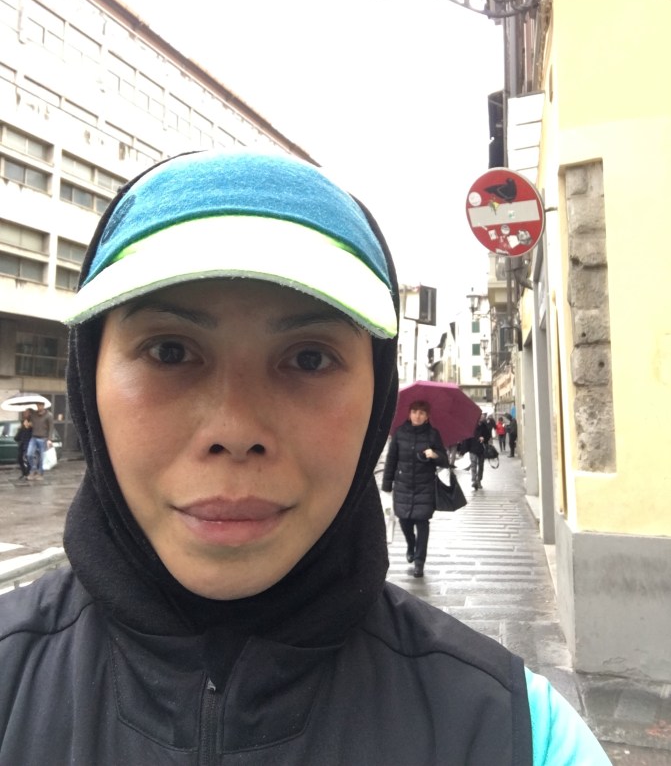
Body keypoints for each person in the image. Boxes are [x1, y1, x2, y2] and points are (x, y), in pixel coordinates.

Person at [0, 150, 610, 764]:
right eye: (169, 352)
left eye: (309, 358)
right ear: (88, 377)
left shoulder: (515, 732)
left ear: (377, 395)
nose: (235, 431)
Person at [381, 400, 447, 578]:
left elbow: (444, 460)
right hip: (403, 485)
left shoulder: (433, 434)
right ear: (409, 414)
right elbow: (391, 460)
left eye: (421, 413)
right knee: (404, 521)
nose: (417, 416)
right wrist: (387, 485)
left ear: (427, 417)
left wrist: (434, 455)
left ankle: (419, 562)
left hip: (425, 487)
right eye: (414, 412)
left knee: (422, 523)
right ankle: (411, 545)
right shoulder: (399, 433)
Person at [25, 399, 53, 481]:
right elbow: (28, 420)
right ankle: (33, 469)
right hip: (34, 437)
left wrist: (49, 439)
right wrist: (26, 421)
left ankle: (40, 473)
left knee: (42, 457)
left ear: (43, 406)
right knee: (29, 454)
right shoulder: (33, 414)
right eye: (37, 405)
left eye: (40, 405)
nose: (39, 407)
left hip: (43, 438)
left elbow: (51, 428)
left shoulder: (49, 415)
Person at [13, 410, 32, 479]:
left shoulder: (32, 422)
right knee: (20, 458)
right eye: (24, 413)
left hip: (29, 442)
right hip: (22, 443)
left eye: (26, 412)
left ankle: (28, 472)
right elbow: (18, 436)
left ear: (29, 413)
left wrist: (28, 426)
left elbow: (33, 432)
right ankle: (24, 473)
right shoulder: (23, 422)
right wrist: (21, 428)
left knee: (28, 457)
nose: (25, 414)